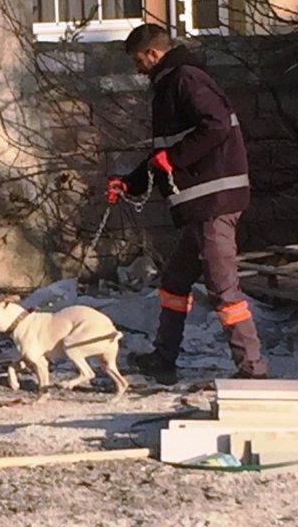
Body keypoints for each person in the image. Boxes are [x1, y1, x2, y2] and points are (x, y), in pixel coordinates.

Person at [108, 24, 268, 385]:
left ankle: (253, 371)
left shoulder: (185, 79)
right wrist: (130, 181)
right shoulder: (172, 84)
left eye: (138, 61)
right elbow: (164, 153)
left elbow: (215, 127)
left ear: (152, 54)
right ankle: (163, 359)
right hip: (199, 205)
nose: (137, 70)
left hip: (213, 202)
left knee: (224, 290)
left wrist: (175, 159)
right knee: (175, 281)